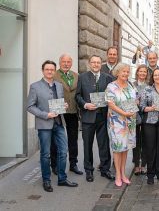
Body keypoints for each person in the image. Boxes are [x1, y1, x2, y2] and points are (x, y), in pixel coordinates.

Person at [27, 60, 78, 192]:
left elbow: (59, 103)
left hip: (59, 123)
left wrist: (64, 106)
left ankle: (62, 178)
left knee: (63, 151)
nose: (49, 71)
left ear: (55, 71)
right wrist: (45, 114)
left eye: (52, 69)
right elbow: (30, 106)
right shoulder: (35, 86)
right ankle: (46, 180)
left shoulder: (59, 85)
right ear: (43, 70)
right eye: (47, 69)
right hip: (44, 124)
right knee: (45, 154)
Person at [75, 55, 114, 182]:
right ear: (89, 63)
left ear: (100, 64)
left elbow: (112, 96)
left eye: (98, 62)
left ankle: (105, 169)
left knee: (104, 145)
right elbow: (78, 96)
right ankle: (89, 170)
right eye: (93, 62)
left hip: (103, 116)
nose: (96, 64)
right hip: (88, 117)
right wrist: (85, 104)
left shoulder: (107, 78)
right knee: (87, 145)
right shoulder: (82, 77)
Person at [51, 54, 83, 175]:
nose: (66, 64)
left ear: (71, 63)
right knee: (55, 139)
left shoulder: (76, 76)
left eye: (68, 62)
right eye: (63, 61)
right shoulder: (54, 75)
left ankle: (73, 164)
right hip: (58, 111)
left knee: (73, 139)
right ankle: (54, 165)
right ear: (60, 63)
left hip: (73, 111)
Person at [106, 63, 137, 187]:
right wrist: (124, 113)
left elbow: (135, 100)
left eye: (127, 72)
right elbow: (111, 104)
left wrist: (134, 105)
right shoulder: (111, 86)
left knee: (125, 149)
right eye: (123, 71)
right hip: (116, 123)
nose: (125, 74)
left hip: (130, 122)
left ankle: (124, 174)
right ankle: (118, 175)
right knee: (118, 148)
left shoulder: (130, 86)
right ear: (117, 72)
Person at [132, 64, 149, 175]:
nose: (142, 73)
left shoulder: (149, 85)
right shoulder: (131, 85)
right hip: (134, 115)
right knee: (136, 140)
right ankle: (136, 164)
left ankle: (143, 165)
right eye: (140, 71)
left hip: (147, 114)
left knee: (145, 140)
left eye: (144, 72)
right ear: (137, 72)